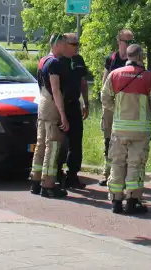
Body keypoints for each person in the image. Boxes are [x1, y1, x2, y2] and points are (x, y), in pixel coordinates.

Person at [100, 43, 151, 214]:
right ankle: (133, 201)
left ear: (127, 57)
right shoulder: (149, 77)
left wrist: (118, 111)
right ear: (141, 56)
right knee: (136, 164)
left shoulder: (114, 75)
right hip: (140, 130)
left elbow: (105, 99)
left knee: (117, 163)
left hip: (119, 129)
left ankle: (116, 202)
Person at [29, 33, 70, 199]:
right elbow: (55, 89)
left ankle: (35, 181)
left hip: (42, 105)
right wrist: (63, 114)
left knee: (40, 144)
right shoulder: (54, 63)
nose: (67, 48)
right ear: (58, 45)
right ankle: (48, 185)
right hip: (52, 106)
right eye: (65, 45)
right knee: (52, 146)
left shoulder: (43, 60)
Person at [98, 29, 135, 188]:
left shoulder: (136, 60)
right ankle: (107, 172)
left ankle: (125, 174)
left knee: (126, 140)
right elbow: (104, 83)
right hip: (111, 106)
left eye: (132, 41)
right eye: (127, 41)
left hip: (127, 107)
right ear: (119, 41)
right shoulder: (111, 59)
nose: (130, 45)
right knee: (109, 139)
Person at [59, 32, 91, 189]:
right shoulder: (57, 61)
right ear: (64, 44)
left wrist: (86, 102)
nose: (77, 47)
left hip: (74, 105)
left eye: (78, 44)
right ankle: (57, 173)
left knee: (76, 142)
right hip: (60, 107)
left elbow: (83, 82)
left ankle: (73, 175)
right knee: (59, 141)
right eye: (74, 44)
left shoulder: (78, 60)